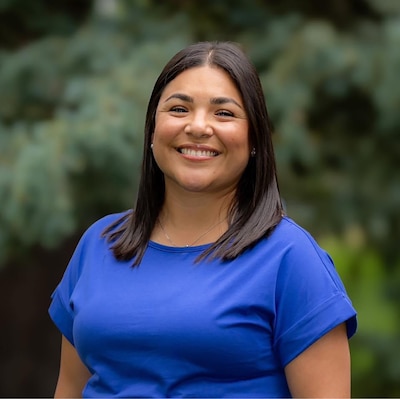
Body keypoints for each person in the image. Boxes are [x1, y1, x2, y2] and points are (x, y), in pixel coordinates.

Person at [49, 41, 357, 398]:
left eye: (223, 113)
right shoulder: (99, 243)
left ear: (253, 136)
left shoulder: (291, 258)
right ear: (152, 130)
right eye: (179, 109)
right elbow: (69, 388)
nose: (198, 127)